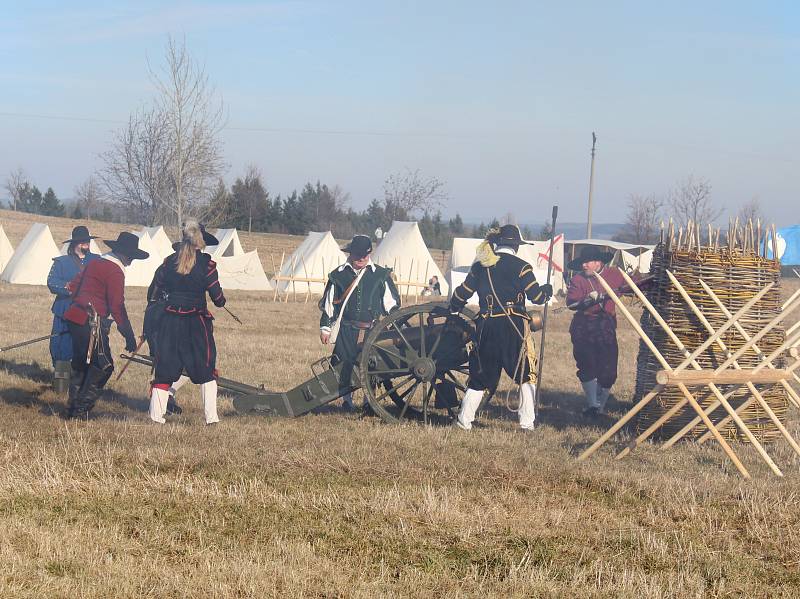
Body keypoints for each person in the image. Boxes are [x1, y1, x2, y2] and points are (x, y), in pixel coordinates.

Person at [449, 225, 553, 431]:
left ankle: (463, 421)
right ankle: (527, 424)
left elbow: (463, 293)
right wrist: (547, 290)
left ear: (498, 243)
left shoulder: (481, 266)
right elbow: (537, 297)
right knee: (524, 375)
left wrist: (453, 308)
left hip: (486, 326)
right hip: (512, 326)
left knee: (480, 377)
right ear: (516, 245)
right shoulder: (522, 267)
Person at [63, 231, 148, 419]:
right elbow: (117, 305)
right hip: (90, 322)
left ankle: (72, 409)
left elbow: (73, 286)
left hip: (75, 318)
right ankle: (79, 411)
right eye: (131, 257)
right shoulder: (115, 271)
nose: (131, 261)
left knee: (82, 364)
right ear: (122, 253)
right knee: (104, 366)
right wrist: (128, 335)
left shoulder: (94, 263)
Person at [147, 221, 226, 425]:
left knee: (164, 369)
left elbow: (154, 293)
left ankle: (156, 417)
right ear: (201, 241)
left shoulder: (168, 263)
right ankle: (211, 419)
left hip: (170, 322)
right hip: (196, 324)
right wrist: (222, 300)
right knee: (206, 369)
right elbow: (218, 298)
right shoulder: (207, 265)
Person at [319, 234, 401, 411]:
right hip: (347, 329)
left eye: (365, 254)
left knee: (371, 366)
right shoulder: (338, 275)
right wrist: (325, 328)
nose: (362, 258)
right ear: (350, 253)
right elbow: (329, 305)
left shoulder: (380, 274)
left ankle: (367, 401)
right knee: (343, 364)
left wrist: (394, 324)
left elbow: (391, 304)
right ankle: (346, 401)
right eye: (358, 254)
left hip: (372, 330)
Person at [566, 245, 630, 415]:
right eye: (583, 262)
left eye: (587, 262)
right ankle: (593, 404)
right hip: (583, 328)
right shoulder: (577, 281)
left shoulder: (615, 275)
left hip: (606, 327)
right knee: (587, 365)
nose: (584, 266)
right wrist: (587, 300)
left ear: (598, 262)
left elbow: (632, 285)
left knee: (609, 370)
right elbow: (571, 302)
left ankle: (600, 405)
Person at [47, 226, 100, 368]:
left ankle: (81, 381)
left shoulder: (97, 261)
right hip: (64, 309)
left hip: (88, 311)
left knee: (86, 348)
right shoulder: (61, 262)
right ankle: (61, 382)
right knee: (61, 345)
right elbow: (52, 283)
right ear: (75, 243)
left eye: (87, 240)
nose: (86, 243)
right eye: (82, 241)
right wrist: (71, 287)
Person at [144, 244, 187, 416]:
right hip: (163, 319)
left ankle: (166, 396)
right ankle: (159, 403)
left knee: (184, 363)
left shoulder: (173, 267)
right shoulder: (169, 269)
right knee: (168, 362)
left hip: (164, 318)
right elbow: (154, 297)